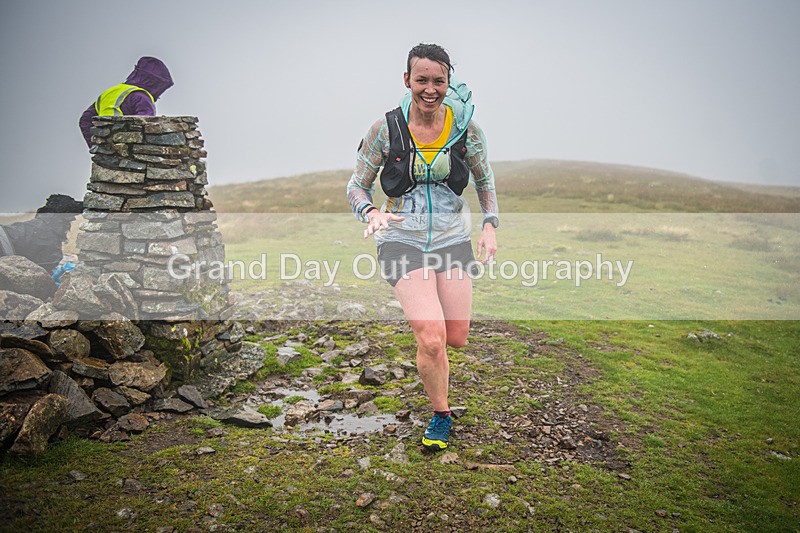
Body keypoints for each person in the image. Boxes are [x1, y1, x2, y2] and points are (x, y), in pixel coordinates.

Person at [347, 43, 499, 451]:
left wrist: (489, 226)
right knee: (431, 338)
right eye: (422, 80)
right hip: (401, 239)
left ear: (448, 83)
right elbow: (356, 185)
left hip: (452, 239)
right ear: (407, 81)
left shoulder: (466, 128)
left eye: (438, 81)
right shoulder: (386, 128)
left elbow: (485, 183)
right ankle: (441, 414)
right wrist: (370, 212)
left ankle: (431, 346)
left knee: (456, 336)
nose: (429, 89)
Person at [78, 56, 174, 147]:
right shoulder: (141, 97)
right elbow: (146, 127)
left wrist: (96, 147)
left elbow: (85, 119)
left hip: (106, 153)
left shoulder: (111, 92)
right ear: (154, 83)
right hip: (129, 154)